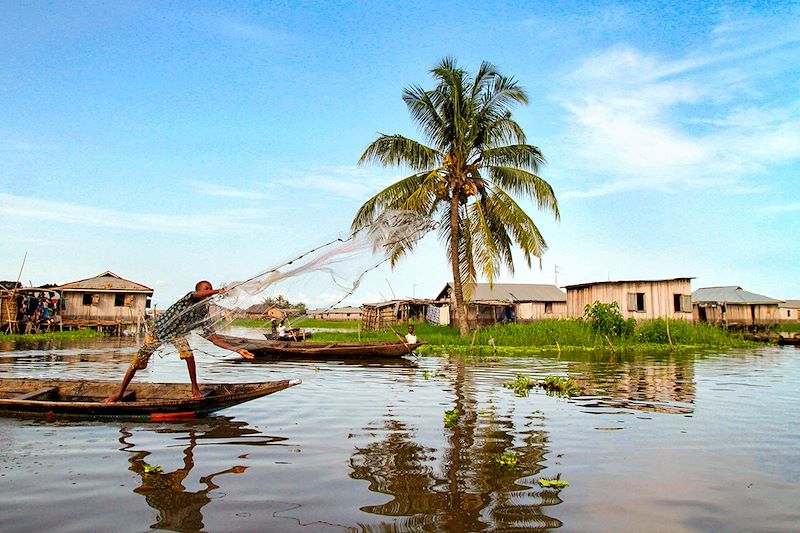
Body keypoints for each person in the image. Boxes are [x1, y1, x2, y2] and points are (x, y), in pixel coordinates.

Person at [104, 280, 254, 403]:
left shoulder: (203, 313)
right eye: (206, 289)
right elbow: (197, 294)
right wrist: (218, 291)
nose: (209, 291)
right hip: (158, 331)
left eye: (211, 288)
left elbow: (213, 339)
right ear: (199, 291)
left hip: (176, 334)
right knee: (137, 362)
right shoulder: (189, 298)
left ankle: (194, 388)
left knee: (188, 354)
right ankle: (120, 393)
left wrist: (237, 350)